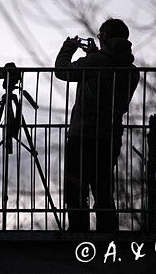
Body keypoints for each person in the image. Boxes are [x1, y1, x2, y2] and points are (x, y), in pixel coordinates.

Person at [55, 18, 139, 232]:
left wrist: (68, 48)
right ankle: (108, 236)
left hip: (83, 134)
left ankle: (78, 236)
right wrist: (94, 55)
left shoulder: (95, 62)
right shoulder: (131, 70)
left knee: (76, 190)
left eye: (101, 35)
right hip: (110, 137)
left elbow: (62, 70)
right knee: (103, 191)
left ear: (105, 37)